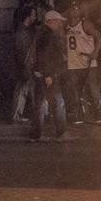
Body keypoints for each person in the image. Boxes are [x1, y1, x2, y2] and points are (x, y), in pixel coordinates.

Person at [64, 0, 101, 124]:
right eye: (72, 9)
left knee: (92, 88)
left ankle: (99, 113)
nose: (74, 11)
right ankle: (79, 114)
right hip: (73, 64)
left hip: (88, 62)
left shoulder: (85, 24)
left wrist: (96, 52)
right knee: (75, 90)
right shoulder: (65, 25)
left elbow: (99, 37)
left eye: (76, 9)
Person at [31, 10, 69, 141]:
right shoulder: (48, 35)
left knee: (40, 103)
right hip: (48, 74)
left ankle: (36, 134)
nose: (59, 23)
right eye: (57, 21)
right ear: (50, 21)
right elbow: (45, 56)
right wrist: (48, 74)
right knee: (58, 102)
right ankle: (61, 133)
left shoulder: (42, 33)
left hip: (42, 73)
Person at [11, 5, 38, 123]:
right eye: (33, 15)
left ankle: (30, 113)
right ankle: (16, 115)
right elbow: (23, 51)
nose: (35, 17)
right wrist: (25, 66)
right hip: (26, 65)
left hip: (26, 64)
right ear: (28, 17)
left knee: (28, 89)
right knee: (22, 89)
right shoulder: (23, 32)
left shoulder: (24, 31)